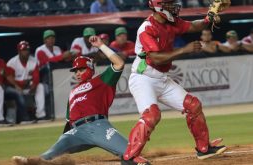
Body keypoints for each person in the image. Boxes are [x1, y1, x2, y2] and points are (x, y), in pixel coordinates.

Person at [12, 36, 150, 165]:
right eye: (75, 71)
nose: (77, 73)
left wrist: (101, 45)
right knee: (50, 154)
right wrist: (65, 136)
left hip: (98, 126)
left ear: (90, 69)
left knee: (131, 154)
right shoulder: (72, 92)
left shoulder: (101, 81)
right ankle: (31, 161)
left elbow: (119, 63)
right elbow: (68, 121)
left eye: (81, 69)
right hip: (76, 131)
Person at [123, 0, 227, 163]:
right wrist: (184, 50)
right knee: (152, 115)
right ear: (158, 7)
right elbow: (155, 58)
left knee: (193, 105)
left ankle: (204, 148)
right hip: (143, 78)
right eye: (169, 4)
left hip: (161, 78)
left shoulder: (172, 21)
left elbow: (194, 26)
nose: (174, 6)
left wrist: (209, 18)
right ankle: (129, 158)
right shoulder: (146, 28)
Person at [6, 41, 47, 123]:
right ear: (19, 51)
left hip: (28, 86)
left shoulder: (34, 61)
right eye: (23, 50)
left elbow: (36, 76)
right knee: (18, 92)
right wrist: (18, 85)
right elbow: (8, 78)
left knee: (40, 87)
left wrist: (34, 85)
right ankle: (24, 118)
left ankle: (41, 115)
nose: (26, 52)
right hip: (15, 87)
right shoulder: (12, 62)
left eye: (27, 50)